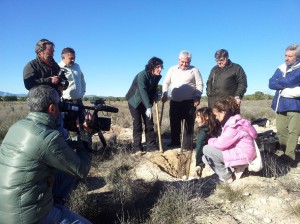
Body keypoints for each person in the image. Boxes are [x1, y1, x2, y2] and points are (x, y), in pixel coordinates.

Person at [0, 85, 92, 223]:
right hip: (27, 217)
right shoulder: (48, 138)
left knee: (66, 174)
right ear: (52, 108)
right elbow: (82, 170)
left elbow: (54, 147)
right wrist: (86, 134)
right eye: (59, 105)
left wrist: (77, 140)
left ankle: (56, 203)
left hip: (6, 210)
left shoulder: (18, 126)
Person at [203, 97, 257, 183]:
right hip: (242, 153)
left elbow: (221, 144)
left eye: (216, 115)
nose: (216, 118)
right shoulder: (233, 122)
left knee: (207, 149)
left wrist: (210, 141)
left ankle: (227, 178)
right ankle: (232, 171)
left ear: (223, 112)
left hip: (243, 156)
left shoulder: (233, 126)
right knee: (205, 158)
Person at [162, 50, 203, 149]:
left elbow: (199, 84)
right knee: (174, 122)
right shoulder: (172, 69)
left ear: (190, 61)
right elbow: (166, 82)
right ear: (178, 60)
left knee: (188, 124)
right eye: (182, 62)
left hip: (189, 102)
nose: (184, 64)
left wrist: (197, 96)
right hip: (175, 101)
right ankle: (175, 142)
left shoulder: (194, 70)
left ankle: (187, 144)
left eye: (187, 62)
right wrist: (164, 93)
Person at [269, 44, 300, 166]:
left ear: (297, 56)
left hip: (295, 105)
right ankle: (284, 152)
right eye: (285, 55)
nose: (286, 58)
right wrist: (287, 83)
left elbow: (291, 80)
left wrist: (280, 81)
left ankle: (290, 157)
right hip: (280, 104)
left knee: (293, 132)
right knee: (281, 131)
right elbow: (271, 83)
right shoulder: (281, 67)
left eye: (290, 56)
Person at [126, 57, 163, 152]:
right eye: (158, 67)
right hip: (135, 102)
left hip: (147, 101)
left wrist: (155, 95)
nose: (160, 69)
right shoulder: (142, 75)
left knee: (149, 124)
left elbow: (154, 88)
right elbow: (142, 91)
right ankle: (137, 148)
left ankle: (151, 146)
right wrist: (148, 107)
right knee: (137, 124)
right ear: (152, 67)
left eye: (161, 67)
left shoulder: (157, 76)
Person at [194, 107, 220, 177]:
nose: (196, 120)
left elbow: (199, 147)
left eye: (198, 117)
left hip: (212, 157)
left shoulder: (202, 133)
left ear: (206, 117)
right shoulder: (216, 126)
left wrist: (199, 163)